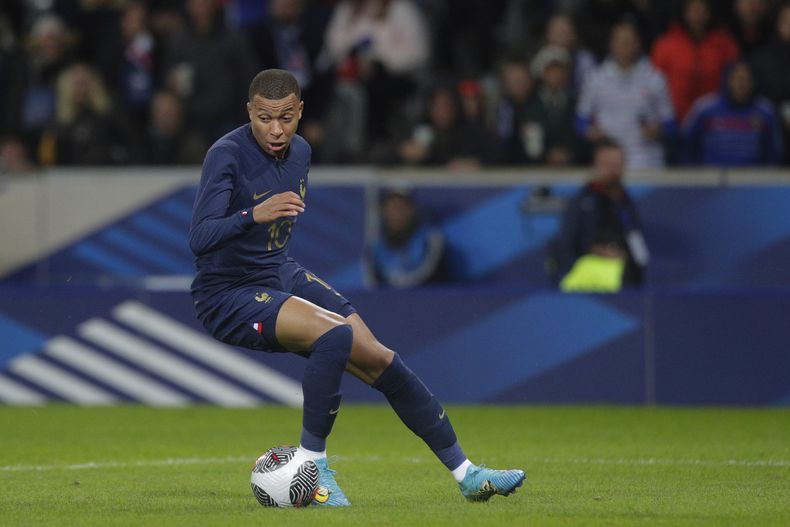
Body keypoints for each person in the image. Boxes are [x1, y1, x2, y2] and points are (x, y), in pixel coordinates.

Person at [189, 69, 525, 506]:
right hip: (226, 292)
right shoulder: (226, 154)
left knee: (380, 358)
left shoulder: (302, 152)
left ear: (301, 112)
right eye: (265, 118)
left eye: (286, 118)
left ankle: (467, 473)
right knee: (334, 334)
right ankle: (315, 470)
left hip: (277, 272)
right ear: (249, 113)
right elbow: (199, 238)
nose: (276, 130)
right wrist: (254, 214)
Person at [548, 139, 649, 291]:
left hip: (625, 279)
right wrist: (597, 252)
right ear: (596, 165)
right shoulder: (583, 202)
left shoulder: (626, 203)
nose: (613, 170)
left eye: (617, 164)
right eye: (608, 164)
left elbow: (636, 241)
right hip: (589, 278)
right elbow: (566, 245)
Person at [576, 21, 676, 169]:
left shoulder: (654, 78)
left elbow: (671, 124)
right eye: (620, 41)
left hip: (646, 158)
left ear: (638, 44)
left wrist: (657, 130)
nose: (624, 46)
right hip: (609, 158)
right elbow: (580, 120)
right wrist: (590, 131)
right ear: (611, 44)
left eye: (629, 41)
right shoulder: (596, 78)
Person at [651, 0, 740, 121]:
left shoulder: (725, 44)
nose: (698, 15)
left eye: (702, 9)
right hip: (674, 120)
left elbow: (735, 81)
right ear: (684, 12)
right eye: (693, 9)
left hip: (715, 121)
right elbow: (654, 85)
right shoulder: (665, 45)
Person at [682, 60, 783, 166]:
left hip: (753, 178)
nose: (741, 84)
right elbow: (687, 146)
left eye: (746, 79)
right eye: (737, 79)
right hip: (710, 178)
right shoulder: (704, 108)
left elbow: (774, 153)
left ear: (754, 82)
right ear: (727, 80)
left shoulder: (766, 112)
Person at [367, 189, 448, 288]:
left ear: (412, 209)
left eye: (401, 207)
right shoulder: (377, 247)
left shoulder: (430, 240)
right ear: (384, 211)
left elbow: (433, 278)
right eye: (392, 208)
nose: (397, 214)